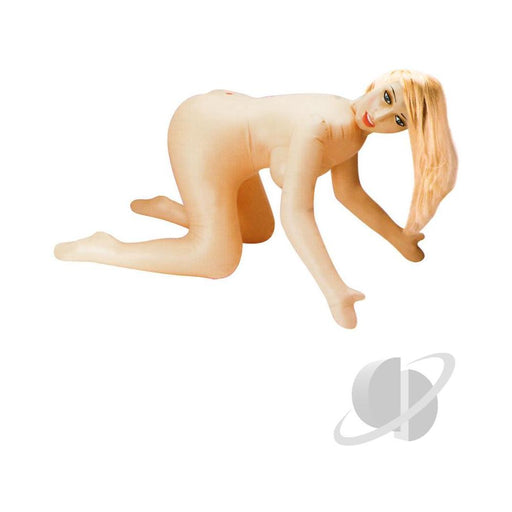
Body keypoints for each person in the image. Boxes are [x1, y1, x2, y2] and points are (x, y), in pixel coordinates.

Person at [54, 69, 457, 328]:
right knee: (218, 260)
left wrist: (400, 238)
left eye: (399, 121)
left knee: (258, 230)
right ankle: (109, 248)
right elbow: (297, 213)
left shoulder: (352, 134)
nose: (379, 117)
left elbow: (349, 193)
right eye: (386, 97)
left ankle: (179, 210)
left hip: (230, 132)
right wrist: (334, 289)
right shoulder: (323, 124)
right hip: (204, 134)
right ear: (378, 81)